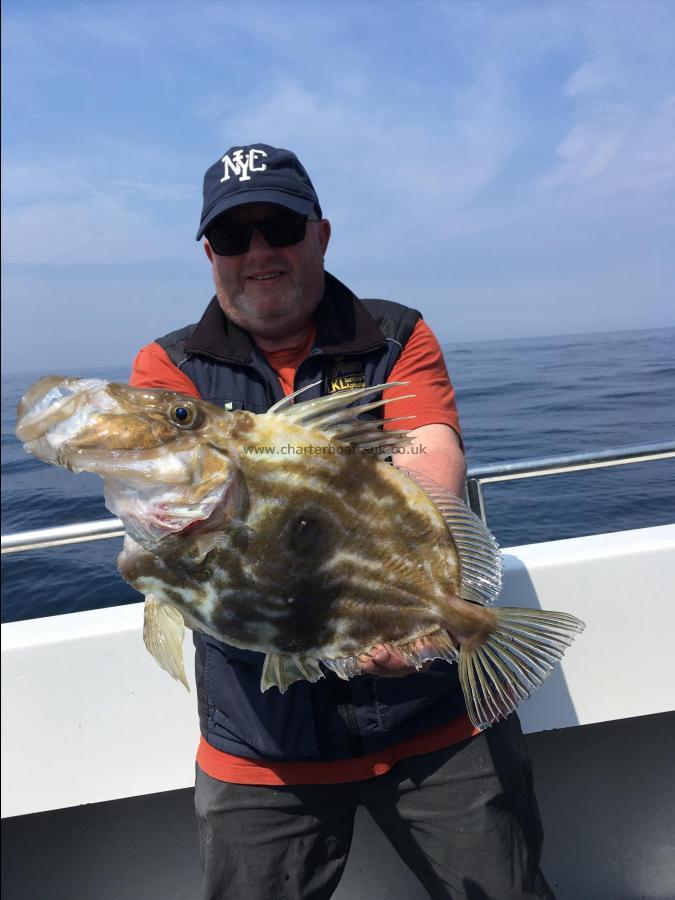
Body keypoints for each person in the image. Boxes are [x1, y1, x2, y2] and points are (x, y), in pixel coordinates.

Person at [130, 143, 553, 899]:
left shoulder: (395, 334)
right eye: (233, 237)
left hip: (436, 723)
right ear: (208, 253)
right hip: (261, 743)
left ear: (320, 234)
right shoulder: (171, 373)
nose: (258, 253)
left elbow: (427, 455)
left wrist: (410, 591)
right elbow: (170, 504)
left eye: (280, 227)